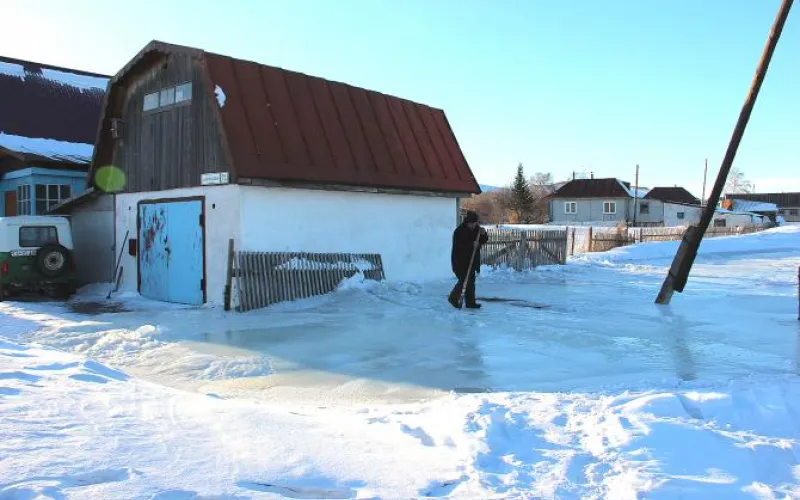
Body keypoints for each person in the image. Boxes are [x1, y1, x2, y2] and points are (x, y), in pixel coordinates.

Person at [448, 210, 489, 309]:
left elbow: (483, 240)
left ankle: (470, 303)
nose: (473, 225)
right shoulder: (459, 231)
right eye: (472, 223)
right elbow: (459, 246)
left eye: (475, 223)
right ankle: (453, 298)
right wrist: (471, 245)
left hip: (472, 261)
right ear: (467, 222)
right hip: (460, 261)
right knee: (464, 281)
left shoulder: (477, 229)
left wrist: (483, 234)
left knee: (471, 282)